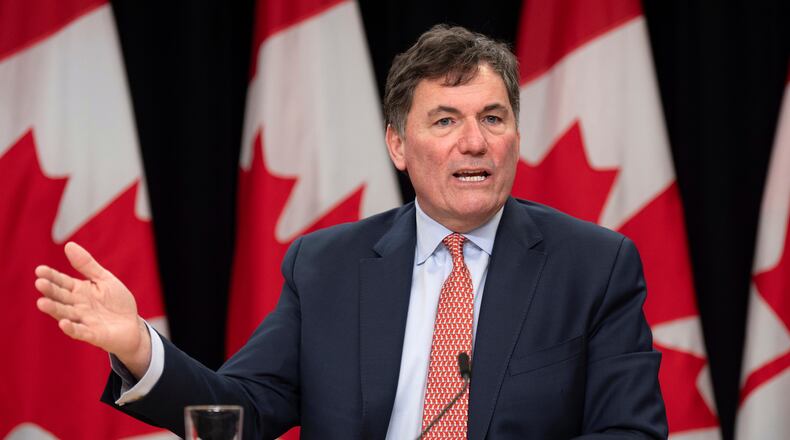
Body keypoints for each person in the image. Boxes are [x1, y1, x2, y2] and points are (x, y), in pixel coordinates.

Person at [35, 25, 667, 439]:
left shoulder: (594, 265)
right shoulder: (326, 266)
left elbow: (630, 432)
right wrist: (140, 348)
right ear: (398, 144)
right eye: (445, 120)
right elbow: (243, 410)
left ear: (516, 138)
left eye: (493, 118)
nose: (475, 142)